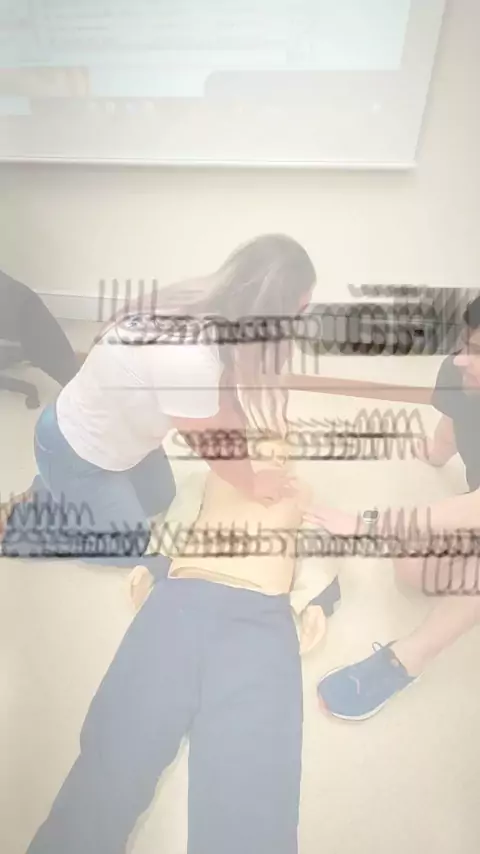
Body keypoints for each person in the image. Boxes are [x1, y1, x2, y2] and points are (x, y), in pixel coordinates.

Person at [25, 436, 338, 854]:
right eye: (259, 445)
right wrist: (154, 564)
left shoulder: (299, 493)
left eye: (284, 453)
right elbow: (179, 519)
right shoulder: (208, 478)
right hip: (181, 601)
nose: (273, 457)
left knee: (250, 780)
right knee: (118, 748)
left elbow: (316, 544)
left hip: (260, 621)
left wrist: (316, 598)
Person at [1, 234, 316, 569]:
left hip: (121, 438)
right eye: (297, 312)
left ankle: (59, 489)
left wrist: (247, 455)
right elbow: (211, 443)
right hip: (74, 450)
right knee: (130, 546)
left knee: (160, 499)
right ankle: (22, 521)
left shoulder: (213, 308)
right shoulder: (189, 356)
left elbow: (222, 405)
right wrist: (251, 482)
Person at [306, 295, 480, 721]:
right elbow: (455, 418)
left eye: (478, 353)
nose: (462, 359)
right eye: (467, 343)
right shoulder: (459, 370)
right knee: (412, 567)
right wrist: (437, 454)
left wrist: (368, 525)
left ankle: (407, 659)